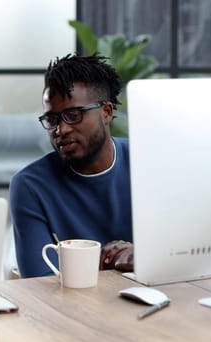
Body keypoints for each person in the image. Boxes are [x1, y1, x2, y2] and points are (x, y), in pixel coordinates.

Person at [9, 53, 133, 278]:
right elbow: (40, 284)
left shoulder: (145, 163)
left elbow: (178, 253)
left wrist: (141, 256)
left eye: (73, 115)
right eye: (52, 119)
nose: (61, 130)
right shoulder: (31, 186)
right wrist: (109, 262)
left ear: (106, 112)